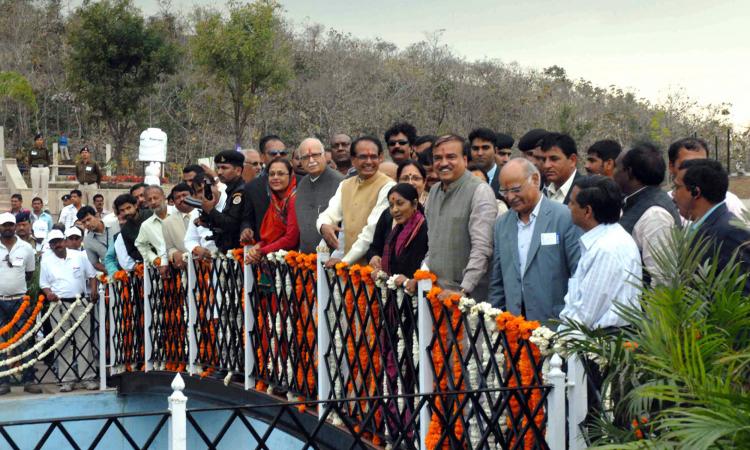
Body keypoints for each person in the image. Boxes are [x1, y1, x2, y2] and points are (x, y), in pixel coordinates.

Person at [488, 159, 581, 323]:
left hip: (555, 324)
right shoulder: (502, 224)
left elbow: (578, 273)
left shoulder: (564, 217)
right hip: (514, 326)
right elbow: (498, 281)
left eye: (516, 189)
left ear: (535, 180)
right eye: (504, 191)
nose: (510, 197)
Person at [559, 176, 641, 329]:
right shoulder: (605, 240)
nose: (568, 207)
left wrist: (557, 341)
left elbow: (585, 315)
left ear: (587, 211)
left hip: (603, 344)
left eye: (572, 202)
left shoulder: (607, 248)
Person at [424, 134, 497, 300]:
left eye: (450, 157)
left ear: (464, 160)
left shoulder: (480, 191)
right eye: (437, 158)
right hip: (436, 295)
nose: (443, 163)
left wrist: (463, 290)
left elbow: (482, 248)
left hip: (467, 300)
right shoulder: (434, 191)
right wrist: (422, 275)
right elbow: (432, 246)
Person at [672, 159, 750, 291]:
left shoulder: (731, 233)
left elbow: (741, 298)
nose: (673, 194)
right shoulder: (704, 226)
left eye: (677, 187)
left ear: (695, 192)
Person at [317, 136, 396, 266]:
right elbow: (330, 213)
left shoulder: (388, 186)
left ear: (381, 157)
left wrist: (344, 261)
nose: (369, 161)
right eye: (363, 157)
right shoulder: (345, 185)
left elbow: (371, 231)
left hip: (373, 266)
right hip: (346, 266)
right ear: (353, 160)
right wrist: (323, 225)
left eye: (373, 157)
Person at [39, 229, 99, 392]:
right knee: (62, 342)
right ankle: (67, 379)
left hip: (80, 303)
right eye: (53, 242)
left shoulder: (79, 256)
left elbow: (92, 275)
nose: (57, 244)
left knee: (84, 341)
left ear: (65, 241)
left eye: (59, 241)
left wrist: (93, 290)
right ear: (50, 245)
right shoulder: (46, 260)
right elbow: (43, 284)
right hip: (58, 306)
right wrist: (49, 294)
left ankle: (88, 378)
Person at [615, 142, 681, 285]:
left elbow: (663, 280)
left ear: (629, 172)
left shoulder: (655, 215)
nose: (613, 173)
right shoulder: (633, 202)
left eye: (617, 167)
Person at [0, 212, 42, 394]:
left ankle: (29, 380)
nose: (8, 228)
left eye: (11, 224)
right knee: (0, 343)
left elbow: (30, 274)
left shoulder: (26, 248)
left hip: (20, 300)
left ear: (15, 226)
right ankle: (3, 382)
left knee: (25, 340)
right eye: (4, 225)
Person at [667, 137, 747, 223]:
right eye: (686, 164)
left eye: (701, 163)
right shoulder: (663, 208)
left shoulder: (730, 203)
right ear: (671, 166)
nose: (694, 169)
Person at [368, 183, 428, 279]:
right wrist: (374, 256)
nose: (395, 210)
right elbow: (374, 248)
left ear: (415, 204)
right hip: (393, 289)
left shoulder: (425, 229)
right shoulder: (395, 229)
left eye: (400, 203)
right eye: (391, 205)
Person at [295, 138, 344, 253]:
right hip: (305, 258)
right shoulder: (302, 184)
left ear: (325, 156)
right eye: (306, 157)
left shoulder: (341, 182)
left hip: (333, 257)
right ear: (300, 161)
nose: (311, 160)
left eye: (316, 155)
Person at [246, 159, 300, 263]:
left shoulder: (294, 199)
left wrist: (261, 251)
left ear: (291, 175)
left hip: (292, 261)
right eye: (271, 174)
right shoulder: (275, 200)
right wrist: (259, 246)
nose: (275, 177)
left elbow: (291, 239)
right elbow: (271, 237)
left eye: (280, 174)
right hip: (274, 258)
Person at [240, 135, 290, 242]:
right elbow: (247, 218)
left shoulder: (299, 182)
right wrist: (246, 229)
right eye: (273, 153)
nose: (278, 156)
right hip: (263, 249)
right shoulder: (252, 187)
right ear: (262, 157)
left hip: (296, 253)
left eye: (282, 153)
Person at [201, 150, 245, 253]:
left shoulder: (240, 192)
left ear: (238, 170)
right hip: (230, 251)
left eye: (224, 168)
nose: (219, 172)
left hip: (238, 253)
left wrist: (210, 210)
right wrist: (207, 222)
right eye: (218, 168)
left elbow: (232, 224)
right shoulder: (232, 190)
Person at [135, 186, 170, 274]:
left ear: (164, 197)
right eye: (149, 200)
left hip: (187, 262)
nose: (153, 202)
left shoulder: (178, 213)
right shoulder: (146, 225)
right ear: (146, 203)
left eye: (156, 198)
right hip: (164, 269)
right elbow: (140, 244)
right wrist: (154, 259)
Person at [539, 132, 582, 204]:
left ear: (572, 160)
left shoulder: (587, 193)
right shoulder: (541, 195)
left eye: (554, 159)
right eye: (544, 160)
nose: (546, 165)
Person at [78, 205, 119, 272]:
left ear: (97, 216)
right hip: (113, 274)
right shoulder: (87, 241)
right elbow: (95, 263)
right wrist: (111, 271)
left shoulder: (115, 224)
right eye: (83, 222)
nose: (87, 224)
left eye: (88, 219)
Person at [162, 184, 193, 269]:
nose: (182, 199)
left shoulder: (205, 214)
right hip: (186, 269)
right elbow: (168, 247)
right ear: (174, 202)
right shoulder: (167, 223)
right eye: (177, 197)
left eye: (184, 195)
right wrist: (174, 253)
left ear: (193, 196)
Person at [468, 128, 502, 199]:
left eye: (485, 148)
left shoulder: (504, 179)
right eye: (475, 148)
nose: (480, 153)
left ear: (495, 151)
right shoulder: (463, 178)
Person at [28, 133, 51, 205]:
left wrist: (46, 166)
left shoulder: (45, 150)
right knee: (35, 188)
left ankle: (45, 204)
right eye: (38, 140)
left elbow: (48, 159)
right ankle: (35, 203)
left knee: (45, 187)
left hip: (44, 168)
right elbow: (29, 160)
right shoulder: (31, 150)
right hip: (35, 168)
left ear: (42, 141)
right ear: (35, 141)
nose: (39, 141)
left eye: (41, 140)